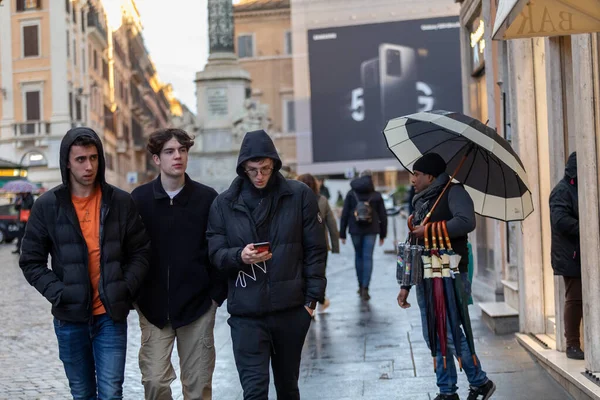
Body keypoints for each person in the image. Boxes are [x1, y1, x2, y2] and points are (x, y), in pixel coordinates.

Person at [19, 127, 150, 399]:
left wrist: (124, 288)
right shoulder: (47, 205)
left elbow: (141, 252)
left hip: (110, 316)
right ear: (67, 161)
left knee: (112, 392)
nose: (88, 166)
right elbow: (31, 261)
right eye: (81, 159)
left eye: (93, 158)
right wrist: (59, 293)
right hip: (69, 317)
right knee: (81, 392)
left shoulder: (120, 202)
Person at [207, 129, 326, 400]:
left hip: (291, 310)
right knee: (254, 391)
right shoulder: (223, 203)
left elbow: (316, 250)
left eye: (265, 168)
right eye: (252, 170)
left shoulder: (299, 195)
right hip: (246, 314)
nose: (259, 175)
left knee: (287, 388)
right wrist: (240, 256)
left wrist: (311, 301)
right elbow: (215, 253)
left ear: (274, 165)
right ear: (242, 169)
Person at [131, 128, 227, 399]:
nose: (178, 157)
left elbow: (217, 246)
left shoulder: (207, 199)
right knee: (154, 382)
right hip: (153, 309)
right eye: (170, 151)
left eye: (182, 151)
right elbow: (129, 250)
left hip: (198, 307)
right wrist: (135, 295)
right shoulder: (138, 200)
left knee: (198, 387)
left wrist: (216, 296)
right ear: (156, 159)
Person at [396, 153, 495, 400]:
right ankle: (447, 390)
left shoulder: (454, 192)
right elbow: (414, 242)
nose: (412, 180)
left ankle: (480, 381)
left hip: (449, 270)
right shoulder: (421, 200)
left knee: (448, 331)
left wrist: (428, 229)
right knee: (432, 333)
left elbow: (466, 221)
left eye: (417, 174)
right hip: (425, 273)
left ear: (430, 176)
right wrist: (405, 284)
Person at [549, 152, 583, 360]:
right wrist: (585, 227)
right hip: (570, 255)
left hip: (577, 252)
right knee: (575, 299)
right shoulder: (562, 191)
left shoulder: (576, 189)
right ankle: (572, 344)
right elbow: (560, 220)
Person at [339, 169, 387, 301]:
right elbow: (383, 215)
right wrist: (383, 234)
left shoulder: (351, 193)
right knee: (368, 258)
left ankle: (360, 285)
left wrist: (342, 233)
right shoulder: (376, 195)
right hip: (372, 230)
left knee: (358, 256)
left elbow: (344, 214)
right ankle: (366, 287)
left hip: (355, 229)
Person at [297, 173, 340, 312]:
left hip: (299, 245)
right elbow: (332, 225)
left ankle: (306, 304)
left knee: (301, 274)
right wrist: (335, 247)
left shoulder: (294, 200)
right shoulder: (322, 200)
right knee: (318, 275)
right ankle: (317, 302)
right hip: (320, 245)